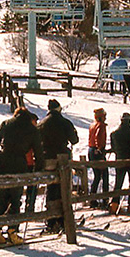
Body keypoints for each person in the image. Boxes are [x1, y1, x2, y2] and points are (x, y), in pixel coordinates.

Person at [0, 107, 44, 245]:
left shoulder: (6, 123)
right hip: (19, 164)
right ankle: (12, 231)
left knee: (2, 198)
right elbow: (38, 151)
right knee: (15, 198)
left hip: (3, 163)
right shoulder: (32, 129)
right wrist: (38, 169)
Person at [38, 98, 79, 232]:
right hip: (63, 159)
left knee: (51, 187)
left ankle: (51, 218)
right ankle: (63, 218)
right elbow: (74, 140)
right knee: (64, 187)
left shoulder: (42, 123)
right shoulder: (65, 122)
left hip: (48, 159)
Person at [109, 113, 130, 215]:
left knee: (118, 183)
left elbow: (113, 148)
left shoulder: (114, 133)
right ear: (129, 121)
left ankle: (114, 204)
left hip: (119, 160)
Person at [88, 108, 109, 207]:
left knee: (97, 175)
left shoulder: (92, 125)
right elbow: (98, 137)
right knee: (104, 175)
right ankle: (105, 199)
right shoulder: (101, 125)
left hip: (91, 150)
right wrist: (100, 148)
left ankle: (92, 198)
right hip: (97, 151)